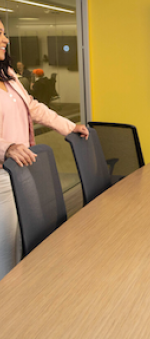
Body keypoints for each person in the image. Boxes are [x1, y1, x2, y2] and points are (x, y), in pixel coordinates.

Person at [0, 19, 89, 280]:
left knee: (22, 244)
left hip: (21, 171)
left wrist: (68, 126)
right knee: (6, 252)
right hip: (2, 177)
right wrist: (7, 147)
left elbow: (34, 108)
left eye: (5, 34)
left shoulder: (10, 76)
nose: (5, 40)